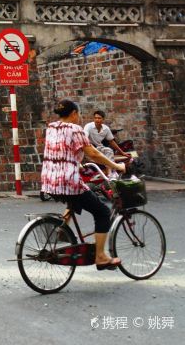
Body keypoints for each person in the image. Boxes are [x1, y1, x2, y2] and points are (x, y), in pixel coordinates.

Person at [41, 100, 126, 271]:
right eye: (78, 114)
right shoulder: (75, 129)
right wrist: (116, 166)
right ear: (73, 113)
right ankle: (101, 257)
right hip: (68, 181)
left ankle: (62, 228)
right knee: (102, 212)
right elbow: (93, 153)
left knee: (77, 200)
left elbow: (60, 150)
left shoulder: (51, 127)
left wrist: (77, 163)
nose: (78, 117)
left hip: (50, 181)